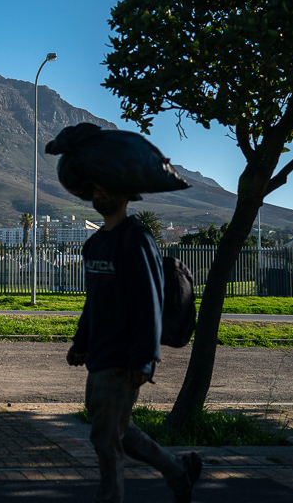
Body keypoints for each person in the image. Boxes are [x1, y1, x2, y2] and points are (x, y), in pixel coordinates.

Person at [67, 183, 202, 503]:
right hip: (99, 355)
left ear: (126, 194)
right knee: (118, 433)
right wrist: (80, 342)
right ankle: (179, 471)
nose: (100, 193)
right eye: (96, 189)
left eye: (108, 188)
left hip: (124, 358)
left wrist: (143, 358)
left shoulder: (137, 239)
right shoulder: (96, 244)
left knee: (105, 441)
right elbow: (93, 302)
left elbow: (150, 302)